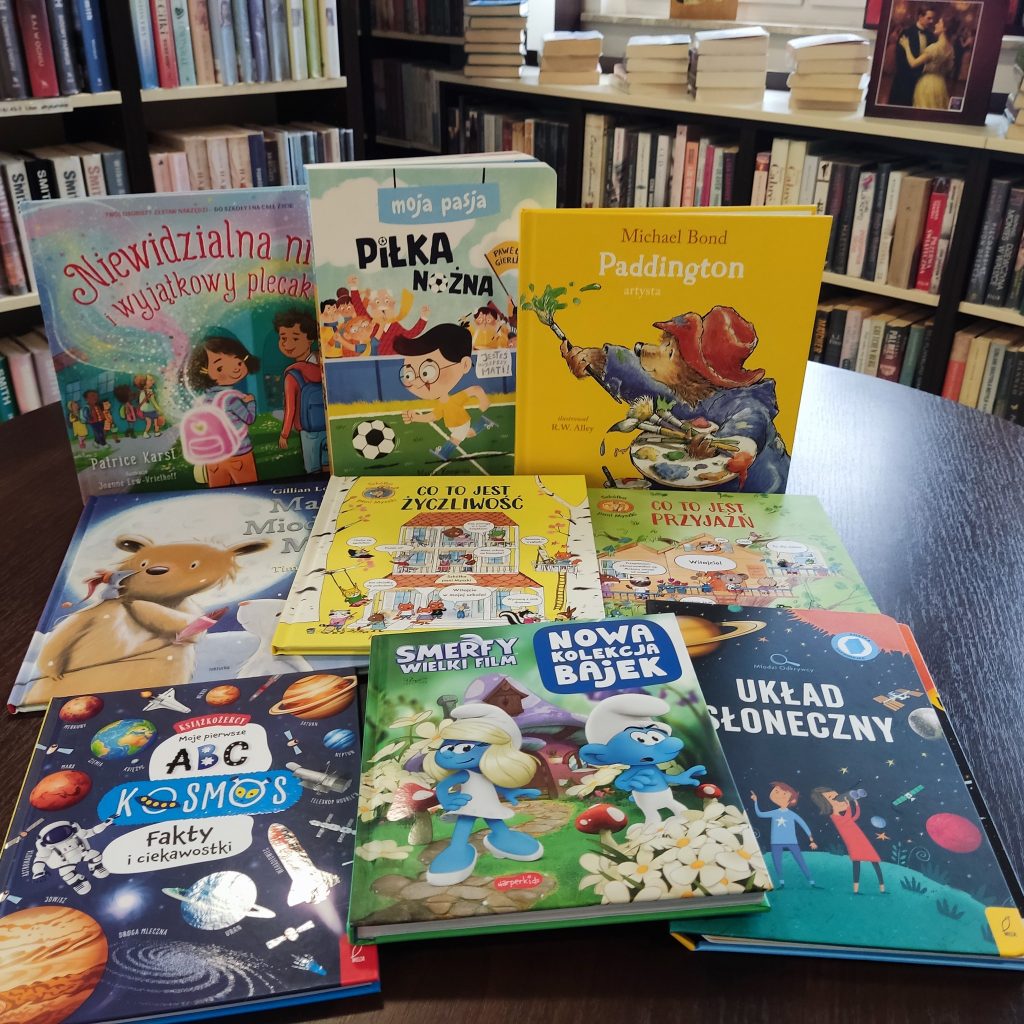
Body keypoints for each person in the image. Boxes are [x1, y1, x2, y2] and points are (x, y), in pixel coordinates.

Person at [423, 703, 542, 886]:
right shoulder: (464, 774)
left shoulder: (489, 772)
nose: (448, 754)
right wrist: (448, 800)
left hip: (489, 805)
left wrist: (512, 792)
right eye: (447, 747)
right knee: (464, 824)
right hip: (467, 805)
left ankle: (503, 838)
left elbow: (496, 785)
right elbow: (443, 788)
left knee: (494, 819)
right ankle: (457, 849)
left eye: (465, 748)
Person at [395, 322, 496, 462]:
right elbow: (432, 416)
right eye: (409, 375)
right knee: (469, 434)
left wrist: (484, 401)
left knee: (455, 440)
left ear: (465, 365)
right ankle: (484, 423)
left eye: (427, 372)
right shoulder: (441, 404)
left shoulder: (455, 399)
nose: (417, 383)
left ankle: (443, 453)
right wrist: (415, 418)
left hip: (461, 423)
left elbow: (475, 389)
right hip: (454, 426)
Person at [184, 333, 261, 487]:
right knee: (249, 492)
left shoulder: (204, 400)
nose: (236, 369)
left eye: (237, 361)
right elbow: (249, 419)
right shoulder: (230, 399)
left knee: (219, 493)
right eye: (220, 367)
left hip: (214, 457)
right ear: (203, 371)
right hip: (239, 453)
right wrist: (251, 403)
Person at [276, 308, 327, 474]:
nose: (287, 344)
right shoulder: (324, 363)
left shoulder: (293, 375)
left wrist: (284, 434)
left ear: (310, 339)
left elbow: (290, 408)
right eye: (283, 338)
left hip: (308, 430)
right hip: (329, 426)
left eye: (295, 338)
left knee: (313, 469)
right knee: (329, 466)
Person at [811, 787, 885, 894]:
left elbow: (854, 817)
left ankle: (882, 888)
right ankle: (856, 890)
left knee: (874, 860)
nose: (837, 799)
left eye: (837, 796)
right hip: (853, 841)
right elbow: (847, 818)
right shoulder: (834, 817)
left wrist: (856, 804)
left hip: (861, 838)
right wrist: (849, 805)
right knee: (857, 862)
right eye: (832, 798)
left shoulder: (843, 816)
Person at [750, 782, 817, 888]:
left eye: (784, 793)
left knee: (800, 861)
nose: (778, 794)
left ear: (792, 801)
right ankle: (781, 883)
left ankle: (811, 882)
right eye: (776, 791)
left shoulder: (791, 814)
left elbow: (803, 824)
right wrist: (755, 801)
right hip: (776, 842)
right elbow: (760, 814)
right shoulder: (775, 812)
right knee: (777, 862)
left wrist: (811, 840)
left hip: (791, 842)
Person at [904, 14, 959, 110]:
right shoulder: (950, 48)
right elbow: (949, 68)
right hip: (940, 84)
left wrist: (906, 46)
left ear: (944, 28)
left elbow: (913, 63)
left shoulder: (934, 48)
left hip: (927, 83)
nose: (935, 24)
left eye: (939, 23)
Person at [890, 5, 936, 106]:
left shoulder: (931, 36)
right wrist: (910, 75)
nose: (931, 21)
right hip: (905, 79)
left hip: (923, 79)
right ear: (920, 17)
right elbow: (899, 57)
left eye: (932, 18)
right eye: (929, 18)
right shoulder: (907, 32)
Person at [135, 373, 162, 438]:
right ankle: (156, 432)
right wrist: (159, 409)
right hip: (151, 410)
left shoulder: (142, 392)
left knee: (149, 423)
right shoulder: (149, 392)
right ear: (144, 383)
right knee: (155, 421)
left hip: (145, 411)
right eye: (150, 380)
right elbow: (154, 402)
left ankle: (146, 433)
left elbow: (141, 402)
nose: (153, 381)